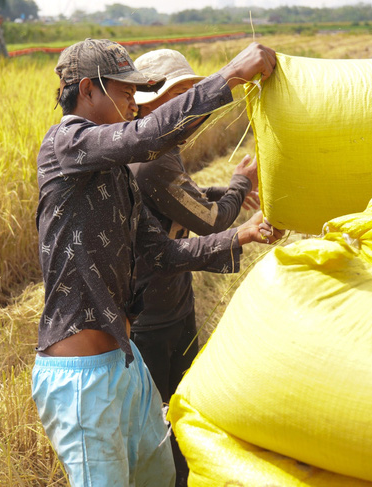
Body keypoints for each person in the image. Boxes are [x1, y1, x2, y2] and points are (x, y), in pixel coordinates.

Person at [30, 38, 279, 487]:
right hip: (82, 384)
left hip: (127, 366)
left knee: (161, 478)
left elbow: (163, 254)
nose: (133, 99)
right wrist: (233, 75)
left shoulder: (117, 175)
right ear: (87, 89)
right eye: (125, 89)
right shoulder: (64, 143)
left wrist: (241, 233)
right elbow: (145, 138)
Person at [128, 48, 260, 486]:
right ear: (148, 100)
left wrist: (225, 187)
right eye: (180, 97)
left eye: (191, 96)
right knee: (160, 420)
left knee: (183, 407)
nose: (189, 110)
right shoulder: (152, 160)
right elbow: (210, 221)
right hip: (150, 317)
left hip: (172, 303)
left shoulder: (156, 147)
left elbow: (183, 197)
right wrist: (241, 184)